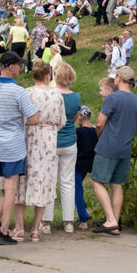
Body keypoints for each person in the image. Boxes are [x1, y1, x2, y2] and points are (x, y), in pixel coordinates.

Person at [0, 51, 39, 245]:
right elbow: (34, 118)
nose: (20, 69)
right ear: (11, 67)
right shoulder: (19, 91)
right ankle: (3, 231)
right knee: (10, 189)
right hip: (13, 145)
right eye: (19, 65)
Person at [12, 61, 65, 241]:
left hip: (29, 137)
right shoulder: (57, 95)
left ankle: (19, 227)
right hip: (49, 138)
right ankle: (35, 229)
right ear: (48, 76)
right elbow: (62, 120)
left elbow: (21, 116)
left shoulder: (28, 92)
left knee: (22, 179)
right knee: (43, 179)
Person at [91, 66, 137, 236]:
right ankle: (115, 222)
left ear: (119, 78)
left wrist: (100, 136)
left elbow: (99, 123)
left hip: (109, 144)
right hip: (126, 146)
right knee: (116, 184)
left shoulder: (113, 98)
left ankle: (110, 219)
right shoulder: (136, 101)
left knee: (97, 181)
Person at [42, 62, 81, 233]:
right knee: (68, 181)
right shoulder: (76, 97)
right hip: (70, 141)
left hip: (52, 141)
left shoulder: (50, 94)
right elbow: (73, 119)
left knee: (50, 181)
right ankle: (69, 222)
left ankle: (46, 222)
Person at [73, 106, 98, 231]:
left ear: (80, 117)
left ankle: (83, 218)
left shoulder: (79, 132)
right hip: (93, 162)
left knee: (76, 188)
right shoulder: (96, 130)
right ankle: (85, 211)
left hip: (80, 163)